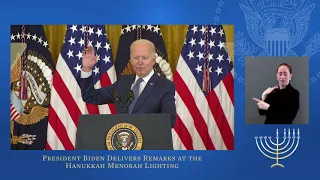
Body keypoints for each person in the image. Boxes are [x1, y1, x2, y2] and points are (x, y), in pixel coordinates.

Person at [78, 39, 176, 128]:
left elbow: (170, 120)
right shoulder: (123, 82)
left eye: (145, 58)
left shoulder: (165, 86)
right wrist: (87, 69)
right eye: (136, 58)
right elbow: (90, 96)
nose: (140, 62)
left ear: (154, 60)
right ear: (131, 59)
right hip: (122, 142)